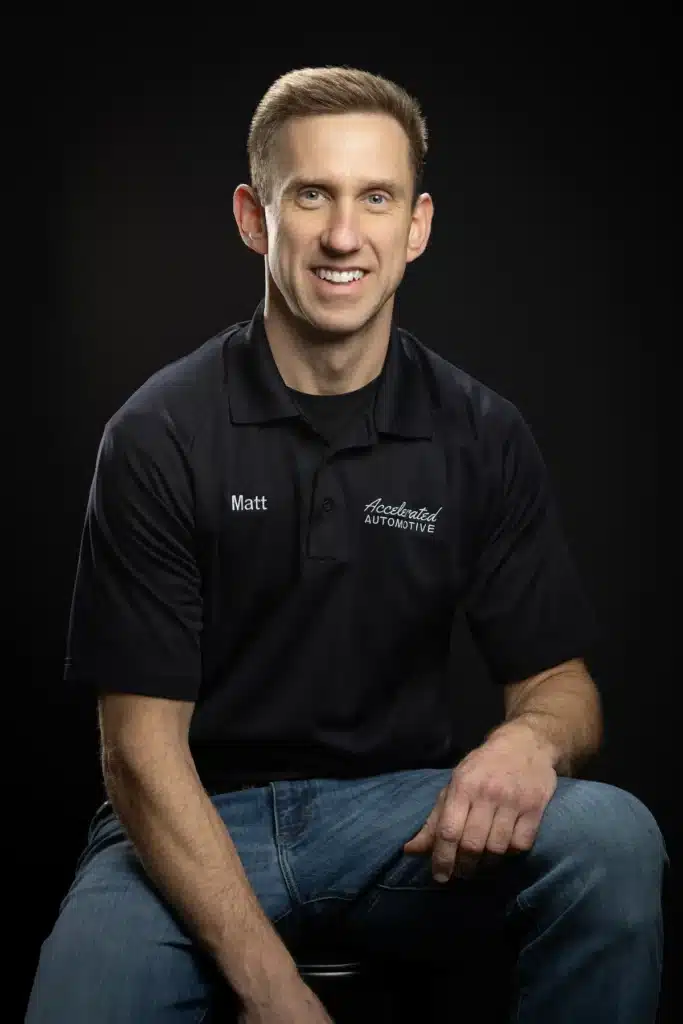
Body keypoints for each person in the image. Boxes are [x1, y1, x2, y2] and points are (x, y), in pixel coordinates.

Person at [26, 66, 668, 1024]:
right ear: (255, 217)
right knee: (81, 1002)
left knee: (613, 837)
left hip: (398, 827)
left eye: (376, 197)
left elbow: (559, 687)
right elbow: (139, 754)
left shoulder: (479, 432)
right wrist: (277, 992)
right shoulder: (159, 432)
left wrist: (531, 739)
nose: (342, 234)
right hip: (188, 823)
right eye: (310, 194)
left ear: (416, 226)